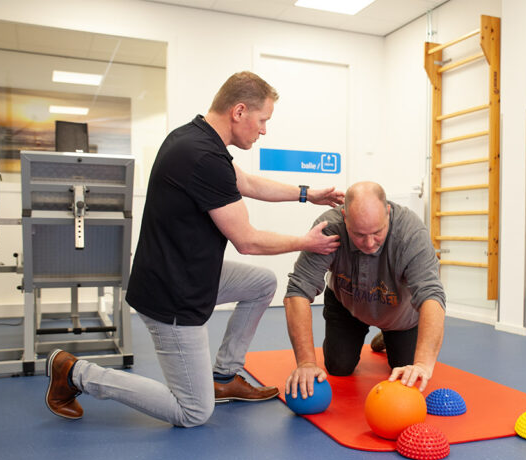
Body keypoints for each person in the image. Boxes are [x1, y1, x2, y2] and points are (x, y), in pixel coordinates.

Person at [45, 71, 344, 427]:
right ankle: (75, 372)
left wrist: (308, 194)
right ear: (239, 111)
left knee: (261, 284)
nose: (264, 130)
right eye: (262, 120)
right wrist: (306, 242)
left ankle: (224, 377)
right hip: (172, 295)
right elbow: (247, 241)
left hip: (188, 272)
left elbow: (245, 182)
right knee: (193, 412)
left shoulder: (196, 137)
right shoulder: (202, 157)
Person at [283, 181, 445, 400]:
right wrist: (306, 363)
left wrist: (423, 364)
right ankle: (371, 331)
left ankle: (386, 336)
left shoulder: (411, 233)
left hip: (399, 316)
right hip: (347, 306)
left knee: (407, 373)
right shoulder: (329, 228)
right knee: (338, 366)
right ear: (344, 217)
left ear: (387, 212)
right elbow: (298, 289)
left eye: (377, 232)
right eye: (359, 234)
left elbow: (431, 295)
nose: (369, 243)